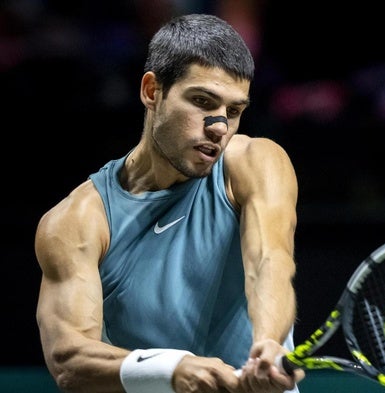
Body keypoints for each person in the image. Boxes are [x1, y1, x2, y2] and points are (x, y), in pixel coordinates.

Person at [34, 13, 304, 393]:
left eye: (234, 111)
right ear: (151, 91)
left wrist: (268, 342)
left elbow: (269, 259)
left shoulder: (254, 162)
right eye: (202, 101)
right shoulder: (77, 221)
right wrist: (171, 368)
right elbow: (68, 359)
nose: (219, 127)